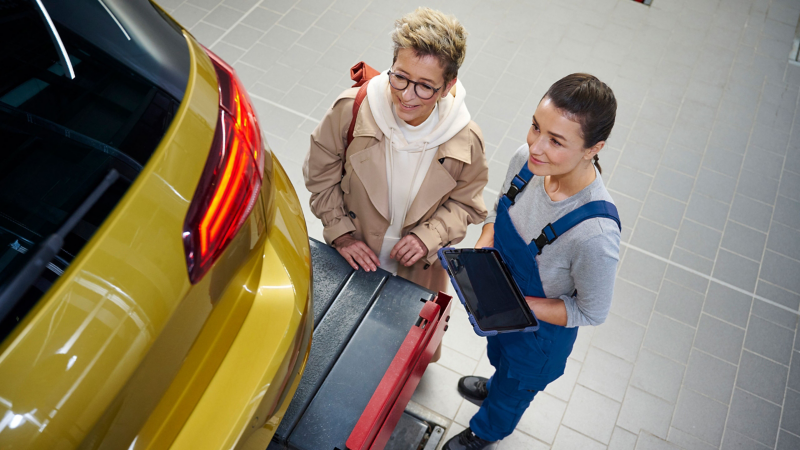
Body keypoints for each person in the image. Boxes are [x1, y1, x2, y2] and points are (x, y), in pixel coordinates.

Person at [442, 73, 621, 450]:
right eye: (536, 127)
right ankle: (495, 385)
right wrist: (484, 242)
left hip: (538, 338)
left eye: (555, 141)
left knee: (514, 392)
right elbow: (498, 209)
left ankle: (486, 431)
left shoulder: (595, 234)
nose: (536, 146)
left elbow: (592, 312)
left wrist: (518, 305)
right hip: (501, 308)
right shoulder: (527, 163)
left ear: (594, 148)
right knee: (499, 360)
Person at [303, 8, 489, 298]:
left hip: (418, 272)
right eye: (400, 77)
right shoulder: (351, 110)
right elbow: (320, 175)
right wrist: (341, 234)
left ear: (447, 86)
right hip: (352, 258)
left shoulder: (465, 139)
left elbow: (467, 204)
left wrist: (429, 236)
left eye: (425, 86)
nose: (406, 95)